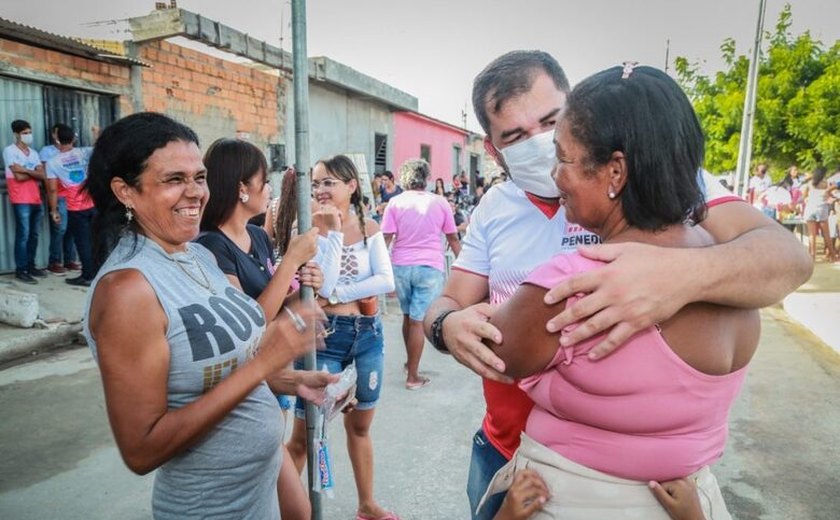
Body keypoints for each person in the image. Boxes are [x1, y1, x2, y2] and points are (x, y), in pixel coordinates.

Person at [423, 51, 811, 520]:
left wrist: (675, 276)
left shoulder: (672, 178)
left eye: (551, 124)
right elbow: (449, 300)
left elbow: (789, 257)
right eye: (516, 136)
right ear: (492, 149)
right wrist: (446, 326)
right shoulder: (494, 208)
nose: (542, 151)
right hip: (507, 449)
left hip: (572, 485)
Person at [481, 64, 758, 519]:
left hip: (567, 501)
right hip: (691, 501)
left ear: (615, 172)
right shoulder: (734, 277)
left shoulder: (572, 282)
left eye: (562, 159)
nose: (555, 177)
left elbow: (499, 355)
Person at [82, 112, 330, 519]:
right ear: (125, 191)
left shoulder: (197, 255)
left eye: (199, 177)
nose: (196, 192)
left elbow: (214, 366)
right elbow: (142, 450)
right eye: (174, 180)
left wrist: (287, 379)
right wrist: (264, 363)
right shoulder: (127, 290)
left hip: (259, 492)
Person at [195, 138, 336, 520]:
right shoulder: (210, 247)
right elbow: (249, 319)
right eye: (263, 180)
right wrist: (291, 262)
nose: (270, 188)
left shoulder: (257, 235)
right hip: (242, 383)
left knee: (292, 507)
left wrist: (307, 287)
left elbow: (276, 304)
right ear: (242, 188)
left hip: (273, 375)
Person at [285, 154, 398, 520]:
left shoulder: (370, 227)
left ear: (351, 186)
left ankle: (366, 505)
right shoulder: (309, 230)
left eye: (328, 182)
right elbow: (326, 282)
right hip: (324, 337)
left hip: (366, 335)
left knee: (360, 426)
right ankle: (277, 509)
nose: (320, 190)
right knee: (306, 435)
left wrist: (336, 296)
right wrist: (331, 231)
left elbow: (386, 281)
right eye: (315, 183)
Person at [381, 158, 461, 390]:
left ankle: (409, 364)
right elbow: (453, 238)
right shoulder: (440, 202)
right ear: (426, 178)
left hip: (400, 266)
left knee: (408, 318)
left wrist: (383, 273)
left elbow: (385, 240)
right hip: (429, 268)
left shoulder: (395, 203)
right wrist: (464, 265)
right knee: (417, 322)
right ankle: (413, 377)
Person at [45, 123, 97, 287]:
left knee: (83, 243)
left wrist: (54, 211)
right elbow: (101, 147)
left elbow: (52, 190)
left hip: (75, 208)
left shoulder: (52, 162)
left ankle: (88, 276)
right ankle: (97, 274)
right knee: (95, 240)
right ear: (74, 138)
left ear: (57, 141)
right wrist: (97, 133)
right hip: (93, 204)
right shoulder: (84, 152)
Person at [3, 119, 46, 284]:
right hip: (20, 197)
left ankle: (31, 265)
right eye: (25, 133)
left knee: (34, 234)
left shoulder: (34, 153)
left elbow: (42, 175)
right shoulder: (10, 151)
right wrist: (32, 172)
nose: (28, 136)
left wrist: (24, 170)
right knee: (23, 234)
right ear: (16, 134)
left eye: (29, 132)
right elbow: (18, 177)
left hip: (35, 197)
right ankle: (21, 270)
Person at [40, 123, 79, 275]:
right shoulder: (47, 151)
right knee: (60, 229)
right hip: (58, 195)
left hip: (73, 195)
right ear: (53, 135)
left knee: (71, 228)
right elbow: (45, 175)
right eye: (56, 133)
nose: (57, 136)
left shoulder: (73, 152)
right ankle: (54, 262)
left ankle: (70, 260)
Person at [801, 166, 839, 262]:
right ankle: (833, 256)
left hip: (810, 210)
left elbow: (803, 197)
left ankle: (812, 256)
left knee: (811, 235)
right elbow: (831, 195)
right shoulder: (826, 184)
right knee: (826, 234)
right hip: (821, 210)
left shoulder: (809, 184)